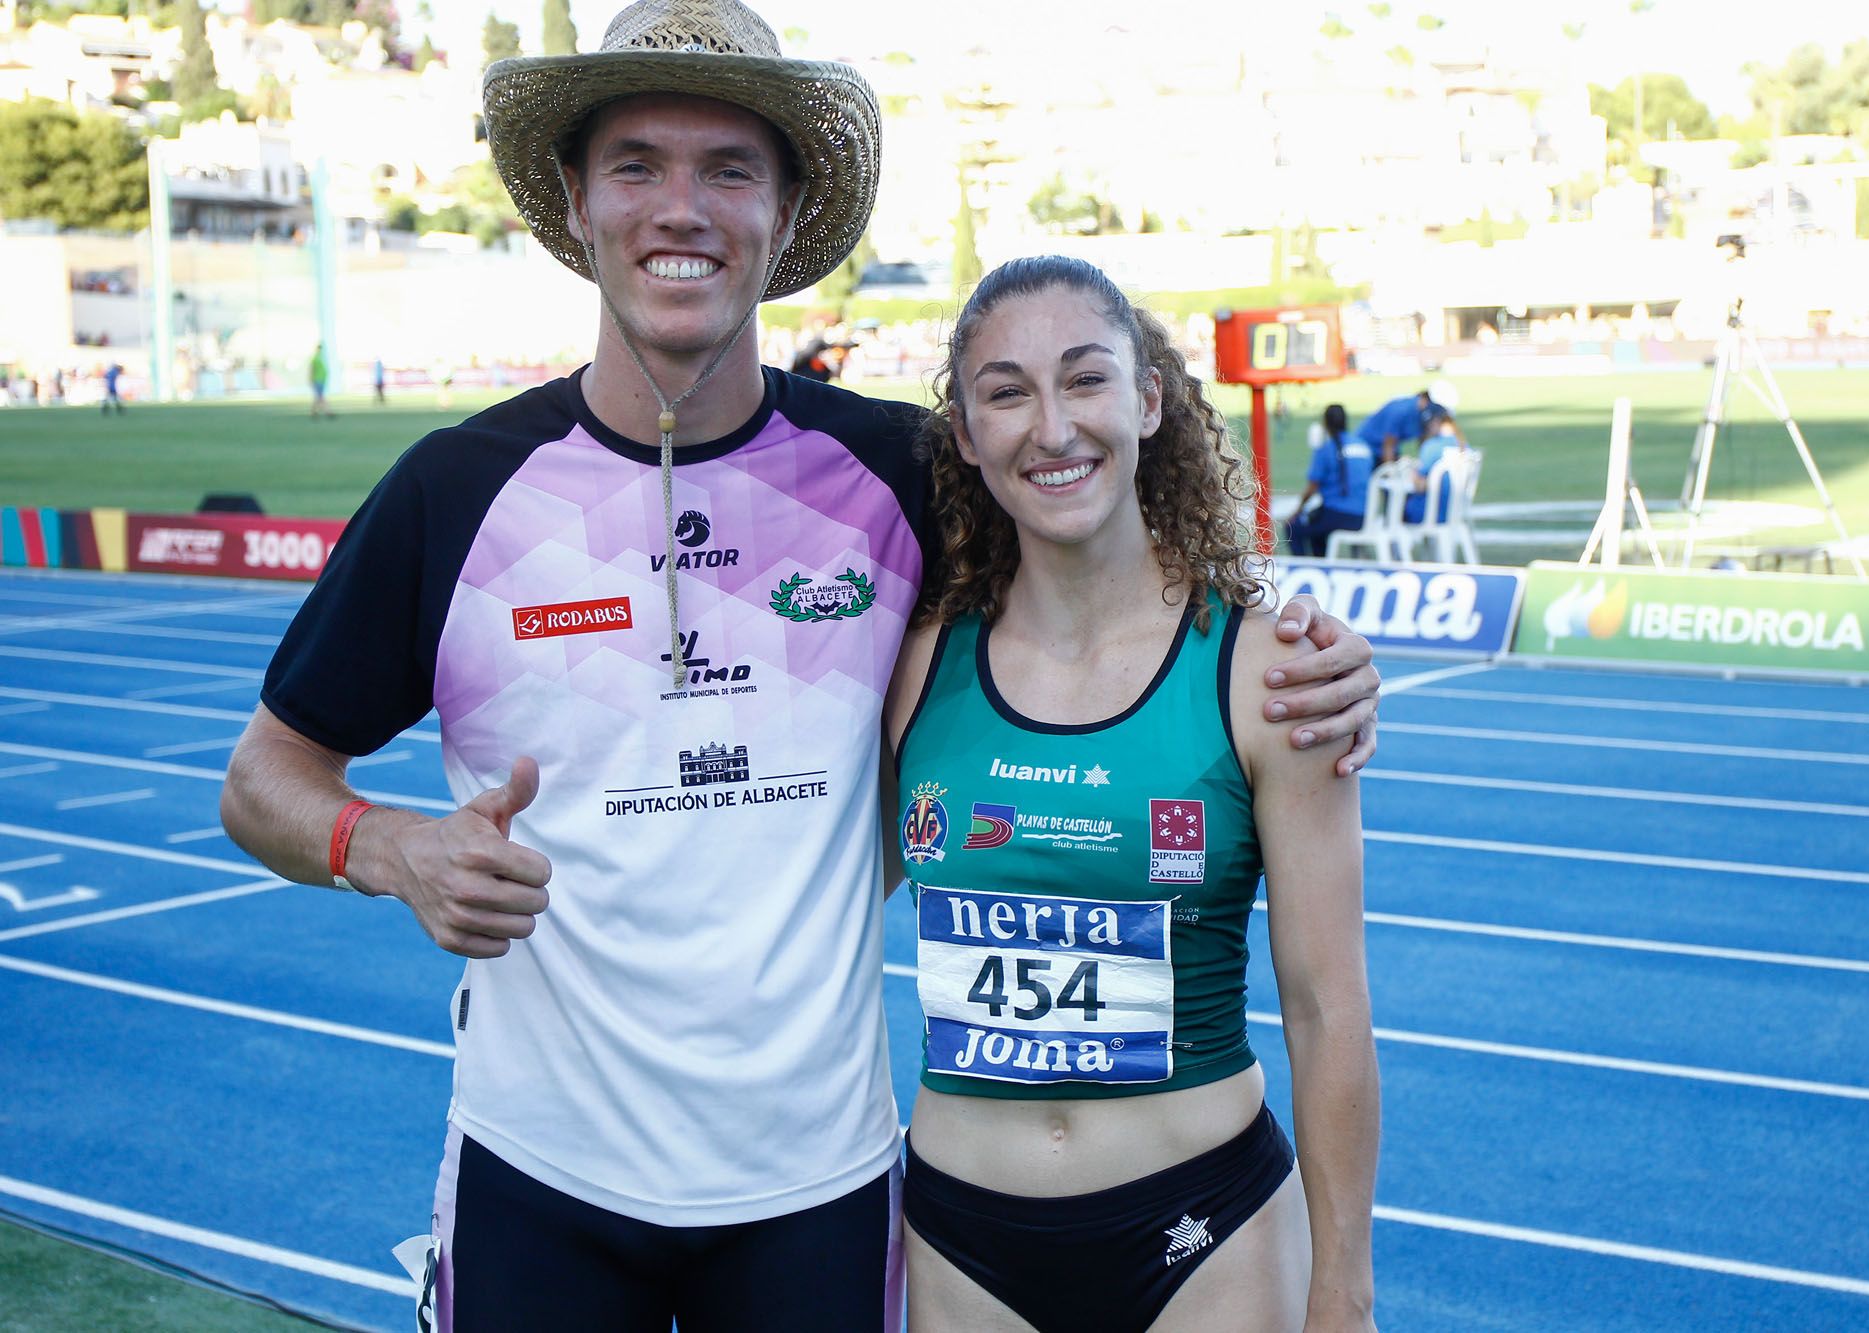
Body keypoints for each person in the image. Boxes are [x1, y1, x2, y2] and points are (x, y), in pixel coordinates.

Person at [219, 2, 1381, 1328]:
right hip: (539, 1168)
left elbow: (1101, 525)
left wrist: (1309, 653)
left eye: (729, 170)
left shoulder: (902, 471)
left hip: (816, 1189)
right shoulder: (456, 491)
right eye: (638, 166)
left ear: (784, 214)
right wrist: (387, 847)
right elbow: (265, 774)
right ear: (576, 200)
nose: (682, 209)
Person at [885, 256, 1378, 1332]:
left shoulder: (1267, 674)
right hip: (960, 1237)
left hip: (1204, 1228)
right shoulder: (914, 666)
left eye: (1086, 379)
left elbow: (1326, 1005)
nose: (1052, 428)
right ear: (965, 435)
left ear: (1149, 398)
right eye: (1006, 392)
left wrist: (1342, 1287)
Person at [1285, 403, 1372, 557]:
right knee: (1317, 529)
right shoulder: (1363, 446)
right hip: (1363, 515)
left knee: (1293, 527)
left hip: (1337, 514)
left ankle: (1307, 569)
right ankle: (1321, 566)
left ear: (1325, 423)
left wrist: (1296, 512)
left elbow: (1312, 488)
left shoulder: (1326, 449)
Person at [1356, 377, 1457, 465]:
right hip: (1367, 449)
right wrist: (1391, 473)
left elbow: (1423, 442)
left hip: (1387, 448)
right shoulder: (1401, 411)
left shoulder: (1422, 415)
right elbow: (1388, 445)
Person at [308, 343, 330, 418]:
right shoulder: (315, 358)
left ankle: (314, 412)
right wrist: (311, 380)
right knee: (320, 397)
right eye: (319, 348)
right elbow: (311, 370)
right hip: (317, 380)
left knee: (318, 397)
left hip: (322, 380)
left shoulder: (321, 358)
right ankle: (328, 412)